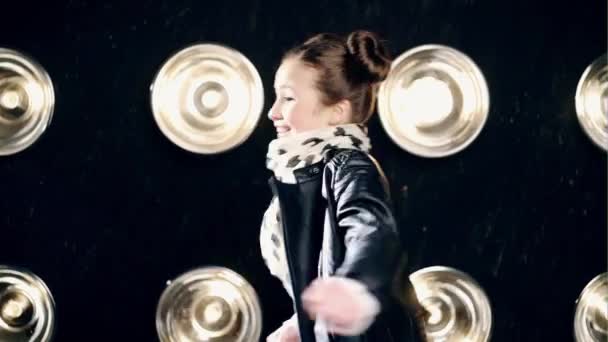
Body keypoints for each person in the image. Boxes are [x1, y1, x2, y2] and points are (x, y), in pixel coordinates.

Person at [259, 30, 426, 342]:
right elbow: (319, 265)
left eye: (289, 98)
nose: (273, 112)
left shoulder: (347, 165)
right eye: (276, 96)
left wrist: (352, 289)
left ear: (338, 111)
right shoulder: (304, 173)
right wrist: (301, 326)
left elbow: (372, 232)